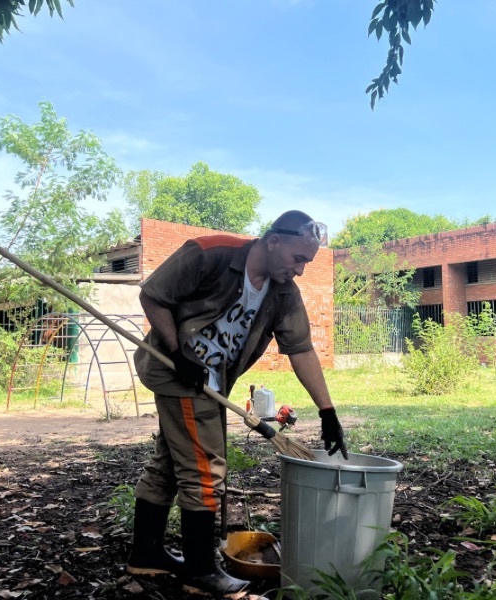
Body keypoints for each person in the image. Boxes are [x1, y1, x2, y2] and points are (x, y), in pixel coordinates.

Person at [126, 210, 348, 596]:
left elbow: (302, 350)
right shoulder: (209, 253)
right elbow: (153, 295)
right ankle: (199, 571)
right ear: (274, 240)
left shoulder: (282, 292)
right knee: (206, 471)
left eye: (307, 263)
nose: (300, 271)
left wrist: (328, 412)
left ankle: (146, 554)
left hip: (214, 382)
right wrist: (179, 352)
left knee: (169, 463)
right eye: (298, 259)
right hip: (177, 373)